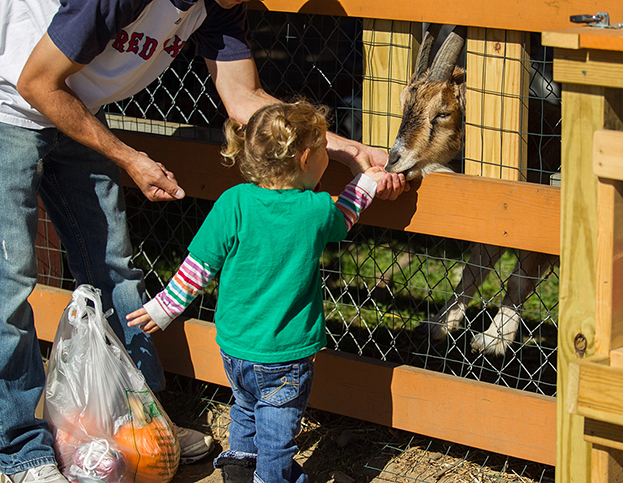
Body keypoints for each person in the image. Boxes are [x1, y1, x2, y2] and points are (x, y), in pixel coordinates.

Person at [0, 1, 407, 482]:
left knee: (113, 267)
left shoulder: (221, 10)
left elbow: (244, 99)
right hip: (14, 99)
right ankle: (20, 449)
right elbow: (36, 82)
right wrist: (130, 158)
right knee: (11, 281)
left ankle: (140, 427)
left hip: (76, 105)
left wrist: (346, 148)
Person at [127, 100, 384, 483]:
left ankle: (239, 464)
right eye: (324, 152)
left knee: (245, 406)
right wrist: (367, 181)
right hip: (284, 355)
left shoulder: (233, 201)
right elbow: (345, 216)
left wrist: (164, 308)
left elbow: (198, 267)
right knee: (278, 433)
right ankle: (269, 478)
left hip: (234, 346)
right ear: (305, 158)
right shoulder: (314, 210)